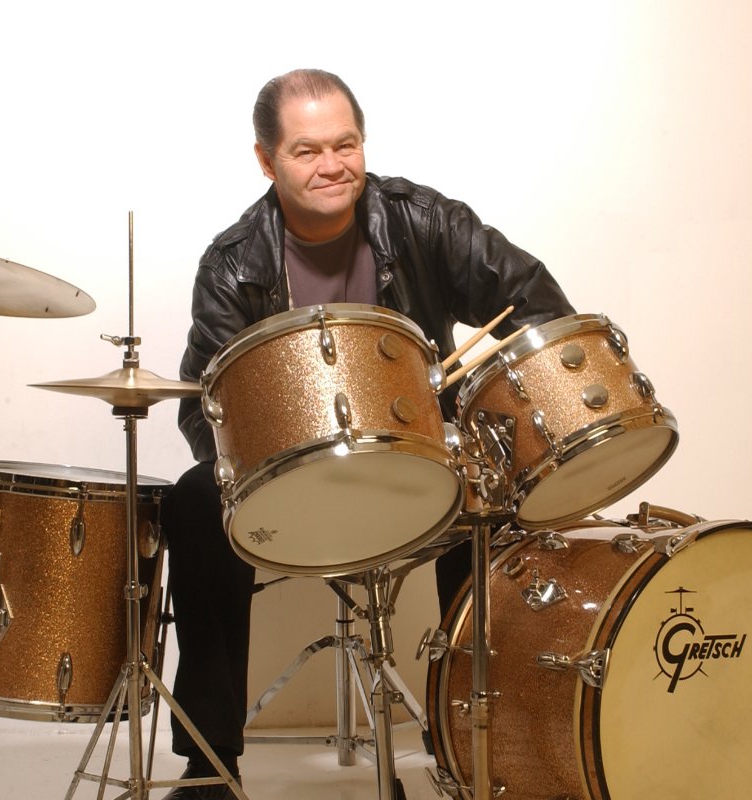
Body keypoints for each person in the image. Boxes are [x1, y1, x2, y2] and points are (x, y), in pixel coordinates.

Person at [159, 68, 574, 799]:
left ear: (364, 143)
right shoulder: (232, 265)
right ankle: (209, 762)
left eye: (344, 144)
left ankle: (484, 740)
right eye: (307, 150)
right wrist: (251, 476)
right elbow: (204, 405)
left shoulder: (423, 221)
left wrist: (479, 417)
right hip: (290, 476)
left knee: (493, 495)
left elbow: (536, 304)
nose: (332, 166)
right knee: (195, 501)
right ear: (266, 160)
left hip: (417, 456)